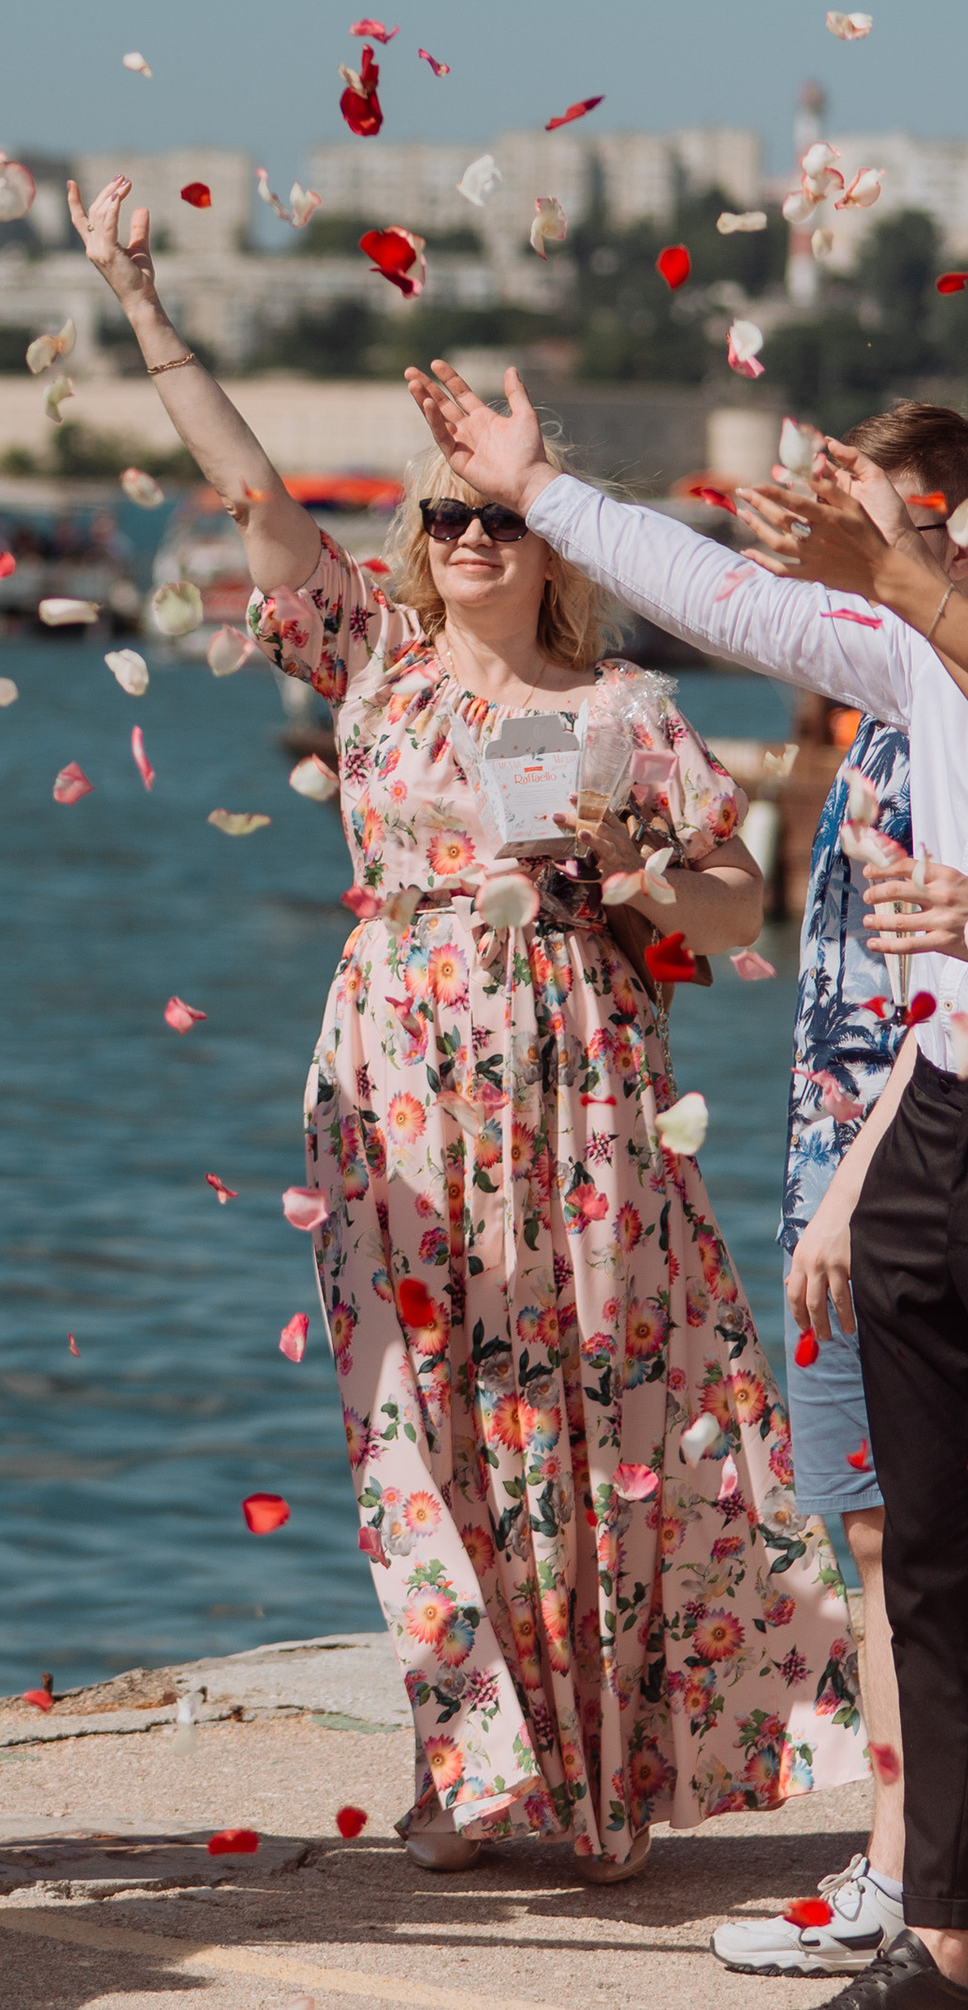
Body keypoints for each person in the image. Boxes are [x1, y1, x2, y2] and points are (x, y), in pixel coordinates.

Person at [63, 179, 866, 1875]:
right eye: (445, 523)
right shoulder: (374, 670)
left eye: (493, 521)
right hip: (398, 1077)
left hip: (579, 1087)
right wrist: (139, 303)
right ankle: (471, 1761)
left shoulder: (633, 711)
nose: (471, 543)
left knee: (589, 1412)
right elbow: (250, 493)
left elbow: (739, 916)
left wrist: (643, 875)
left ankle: (597, 1776)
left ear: (545, 536)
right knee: (414, 1421)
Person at [408, 362, 968, 2010]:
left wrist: (912, 575)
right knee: (927, 1555)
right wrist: (540, 487)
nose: (844, 511)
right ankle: (940, 1933)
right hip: (939, 1121)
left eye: (892, 503)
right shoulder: (901, 660)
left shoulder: (931, 624)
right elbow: (718, 593)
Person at [708, 404, 968, 1978]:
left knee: (901, 1537)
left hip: (903, 1147)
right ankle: (906, 1864)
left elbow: (920, 1001)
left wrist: (858, 1180)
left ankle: (901, 1867)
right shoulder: (864, 706)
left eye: (866, 494)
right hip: (844, 1151)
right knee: (877, 1529)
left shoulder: (927, 693)